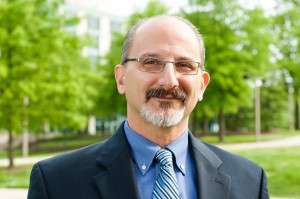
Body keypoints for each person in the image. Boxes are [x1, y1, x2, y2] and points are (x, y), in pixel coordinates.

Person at [28, 15, 269, 199]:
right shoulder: (56, 182)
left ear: (202, 85)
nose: (169, 81)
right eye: (151, 62)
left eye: (185, 65)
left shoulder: (249, 182)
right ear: (121, 79)